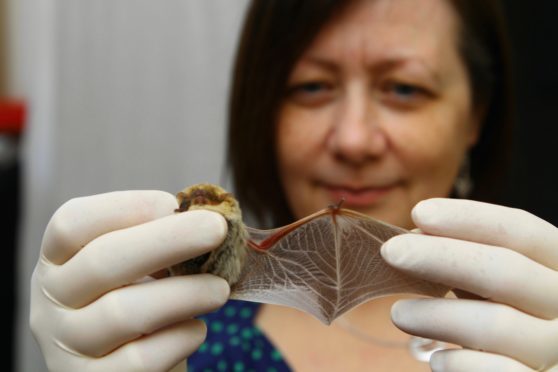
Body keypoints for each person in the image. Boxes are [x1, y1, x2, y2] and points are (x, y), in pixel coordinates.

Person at [30, 0, 558, 371]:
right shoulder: (191, 340)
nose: (353, 139)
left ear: (475, 117)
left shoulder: (539, 323)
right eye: (312, 86)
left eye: (404, 87)